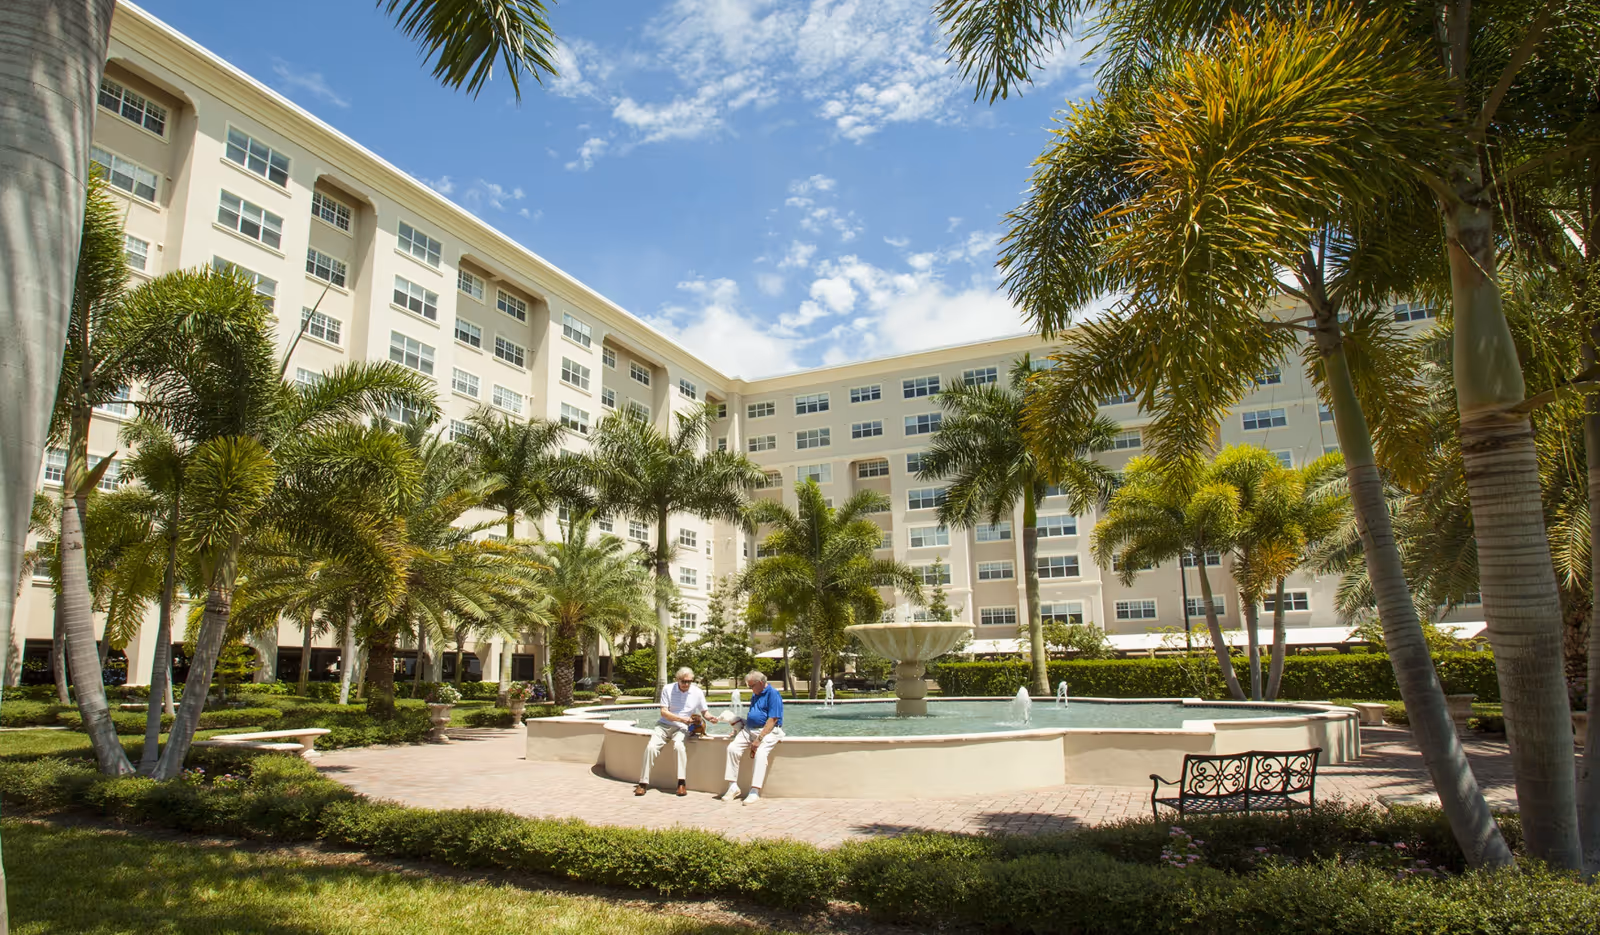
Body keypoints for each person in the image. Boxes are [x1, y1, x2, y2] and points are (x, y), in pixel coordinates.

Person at [635, 666, 707, 797]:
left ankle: (681, 783)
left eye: (689, 681)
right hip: (664, 725)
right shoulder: (668, 689)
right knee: (651, 747)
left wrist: (710, 717)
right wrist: (681, 719)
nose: (686, 684)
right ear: (677, 680)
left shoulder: (697, 692)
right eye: (683, 681)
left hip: (682, 728)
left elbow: (704, 711)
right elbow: (664, 712)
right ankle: (642, 783)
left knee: (679, 746)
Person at [720, 669, 783, 805]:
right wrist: (739, 730)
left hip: (769, 731)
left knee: (760, 753)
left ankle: (754, 791)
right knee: (732, 748)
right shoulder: (756, 694)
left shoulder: (773, 694)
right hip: (749, 729)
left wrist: (759, 739)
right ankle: (733, 787)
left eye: (751, 686)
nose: (750, 689)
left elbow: (772, 719)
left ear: (760, 683)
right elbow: (753, 716)